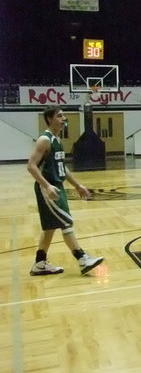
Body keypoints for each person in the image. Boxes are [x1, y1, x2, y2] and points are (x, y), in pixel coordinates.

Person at [27, 106, 104, 276]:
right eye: (59, 116)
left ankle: (40, 263)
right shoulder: (44, 140)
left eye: (64, 116)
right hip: (48, 188)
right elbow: (31, 166)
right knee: (66, 221)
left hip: (57, 186)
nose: (64, 118)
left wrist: (77, 185)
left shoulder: (57, 140)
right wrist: (47, 186)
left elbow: (62, 168)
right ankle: (82, 258)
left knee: (51, 226)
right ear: (49, 119)